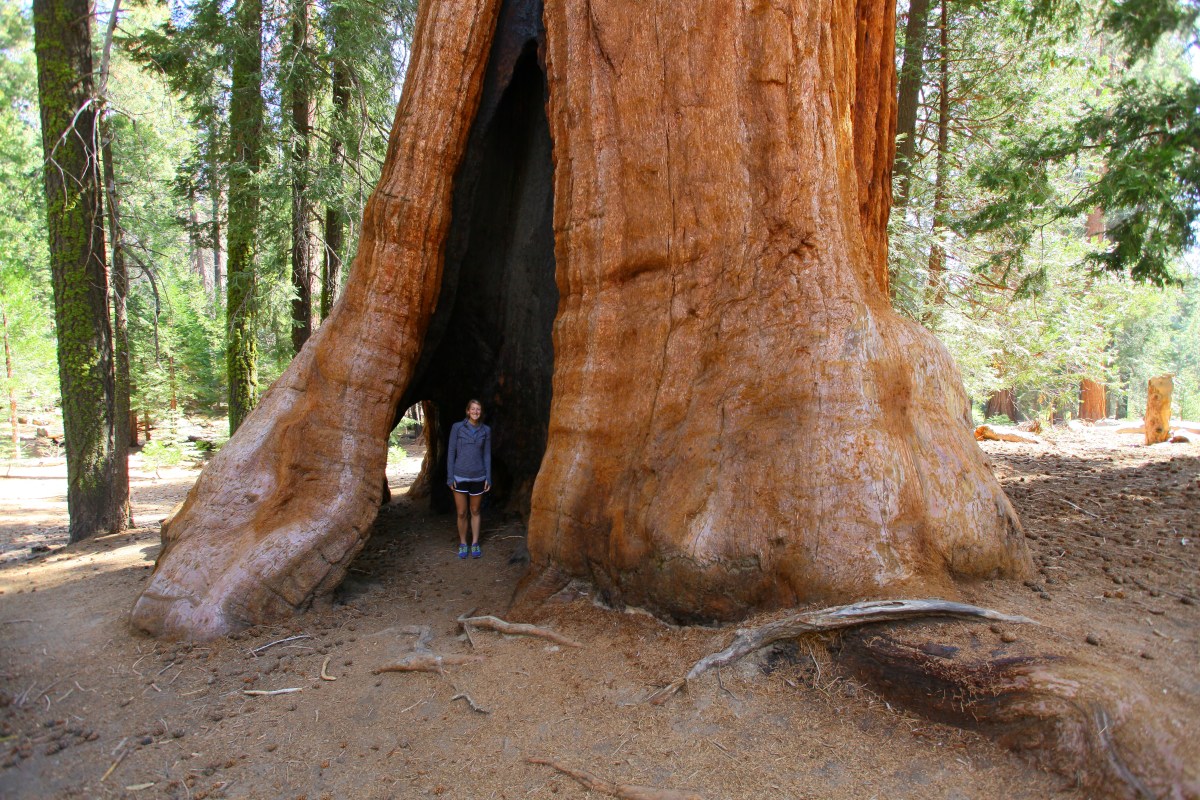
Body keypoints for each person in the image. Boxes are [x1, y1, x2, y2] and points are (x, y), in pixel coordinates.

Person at [446, 399, 491, 558]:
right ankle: (463, 543)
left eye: (478, 409)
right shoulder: (457, 427)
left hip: (478, 476)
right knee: (461, 512)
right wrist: (450, 477)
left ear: (481, 412)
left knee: (475, 510)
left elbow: (486, 455)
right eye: (473, 409)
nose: (475, 412)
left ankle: (475, 543)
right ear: (467, 411)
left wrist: (488, 477)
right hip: (459, 476)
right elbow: (451, 452)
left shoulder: (486, 430)